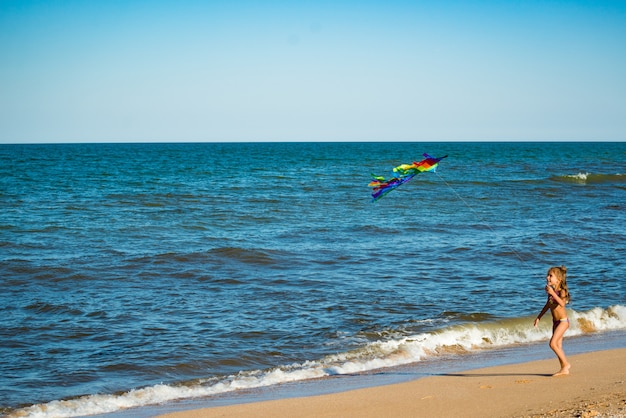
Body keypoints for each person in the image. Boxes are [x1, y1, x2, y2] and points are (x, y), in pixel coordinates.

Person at [533, 265, 571, 376]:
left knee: (552, 344)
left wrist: (553, 293)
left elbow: (562, 303)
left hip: (563, 321)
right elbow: (547, 305)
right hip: (555, 322)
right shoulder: (552, 293)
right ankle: (564, 369)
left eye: (551, 276)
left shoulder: (561, 291)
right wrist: (539, 317)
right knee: (558, 346)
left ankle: (566, 364)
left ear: (558, 279)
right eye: (547, 275)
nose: (547, 278)